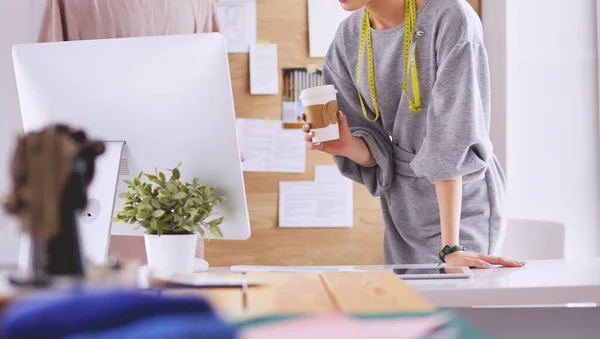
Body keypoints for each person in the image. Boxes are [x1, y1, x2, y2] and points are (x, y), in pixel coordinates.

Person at [303, 0, 524, 268]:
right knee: (414, 307)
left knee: (459, 301)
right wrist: (349, 145)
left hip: (461, 203)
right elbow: (375, 149)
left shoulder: (449, 15)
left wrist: (451, 247)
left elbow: (452, 135)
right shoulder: (349, 35)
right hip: (403, 206)